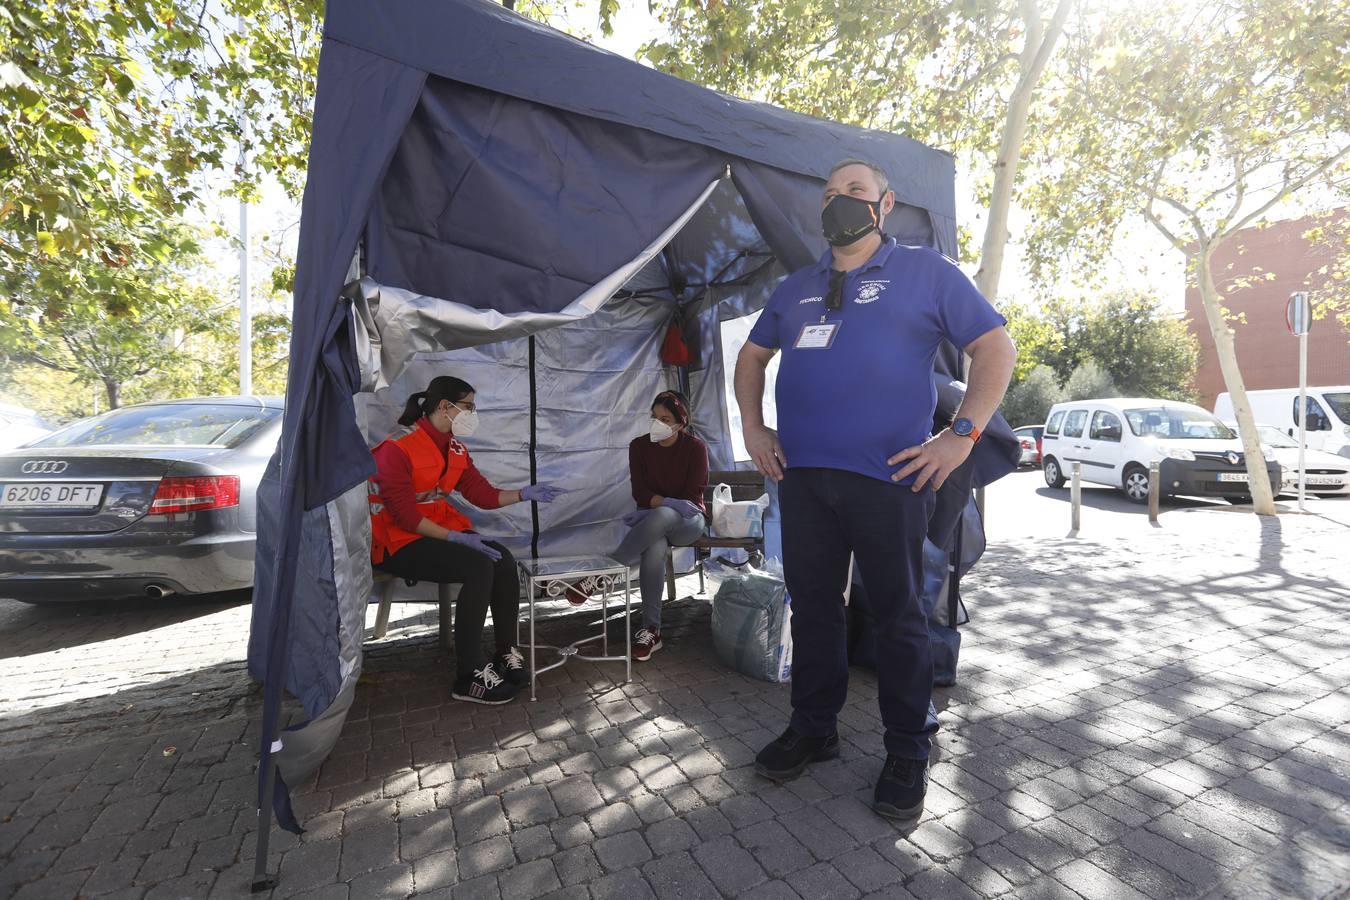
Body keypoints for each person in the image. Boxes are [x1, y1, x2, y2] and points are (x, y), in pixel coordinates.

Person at [733, 159, 1015, 821]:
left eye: (854, 191)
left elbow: (995, 347)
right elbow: (752, 357)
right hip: (801, 477)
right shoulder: (797, 287)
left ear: (884, 204)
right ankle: (814, 727)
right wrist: (752, 426)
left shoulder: (926, 273)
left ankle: (908, 746)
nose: (839, 201)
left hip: (892, 478)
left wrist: (962, 435)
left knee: (899, 616)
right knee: (814, 609)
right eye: (829, 193)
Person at [368, 375, 568, 705]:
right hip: (397, 542)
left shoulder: (455, 448)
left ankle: (506, 651)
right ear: (445, 407)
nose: (472, 414)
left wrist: (523, 493)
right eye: (468, 407)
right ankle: (469, 674)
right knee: (478, 566)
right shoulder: (397, 448)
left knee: (502, 558)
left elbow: (482, 494)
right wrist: (458, 539)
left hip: (437, 533)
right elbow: (404, 517)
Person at [568, 391, 709, 663]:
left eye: (665, 418)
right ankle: (651, 630)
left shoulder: (695, 448)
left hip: (688, 522)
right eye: (654, 417)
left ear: (682, 421)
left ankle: (603, 575)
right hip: (653, 521)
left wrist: (663, 506)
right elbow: (640, 494)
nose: (657, 423)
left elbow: (692, 499)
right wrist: (662, 505)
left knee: (664, 515)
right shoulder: (639, 446)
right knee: (654, 547)